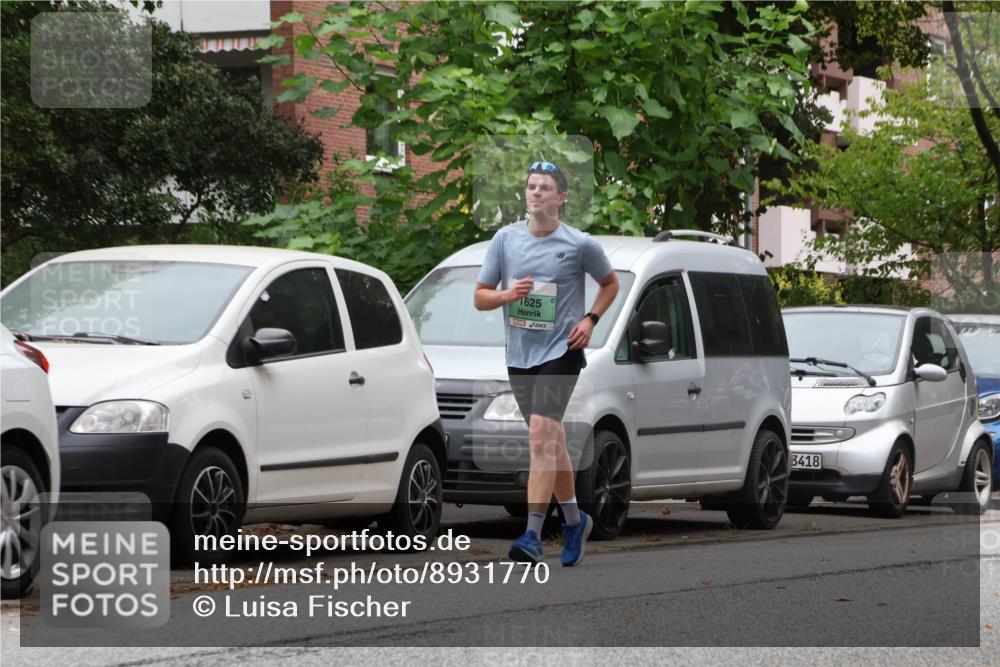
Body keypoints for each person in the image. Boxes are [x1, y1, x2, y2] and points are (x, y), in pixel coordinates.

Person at [474, 160, 619, 566]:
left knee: (540, 436)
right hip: (521, 355)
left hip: (562, 351)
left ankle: (532, 535)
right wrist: (507, 296)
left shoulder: (580, 244)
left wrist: (590, 320)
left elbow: (610, 284)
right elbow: (480, 296)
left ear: (562, 197)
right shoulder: (505, 240)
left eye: (545, 187)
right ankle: (574, 520)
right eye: (531, 186)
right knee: (550, 441)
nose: (536, 192)